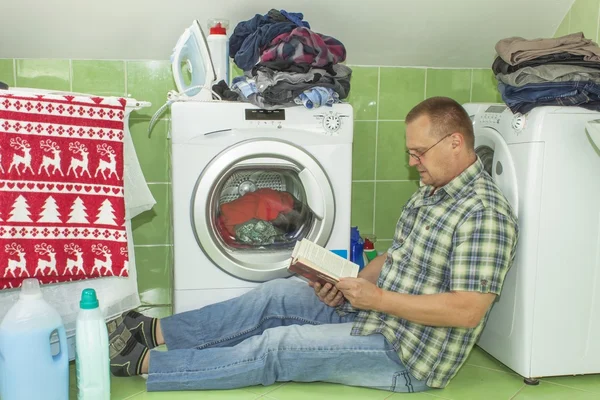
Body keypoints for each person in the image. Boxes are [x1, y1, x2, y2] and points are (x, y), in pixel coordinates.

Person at [107, 96, 519, 393]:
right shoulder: (432, 192)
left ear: (455, 144)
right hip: (377, 314)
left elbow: (467, 311)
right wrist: (347, 283)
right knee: (275, 295)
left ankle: (149, 363)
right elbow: (398, 258)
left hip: (408, 356)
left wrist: (376, 299)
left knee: (278, 348)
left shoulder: (484, 214)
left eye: (418, 153)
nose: (413, 163)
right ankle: (155, 329)